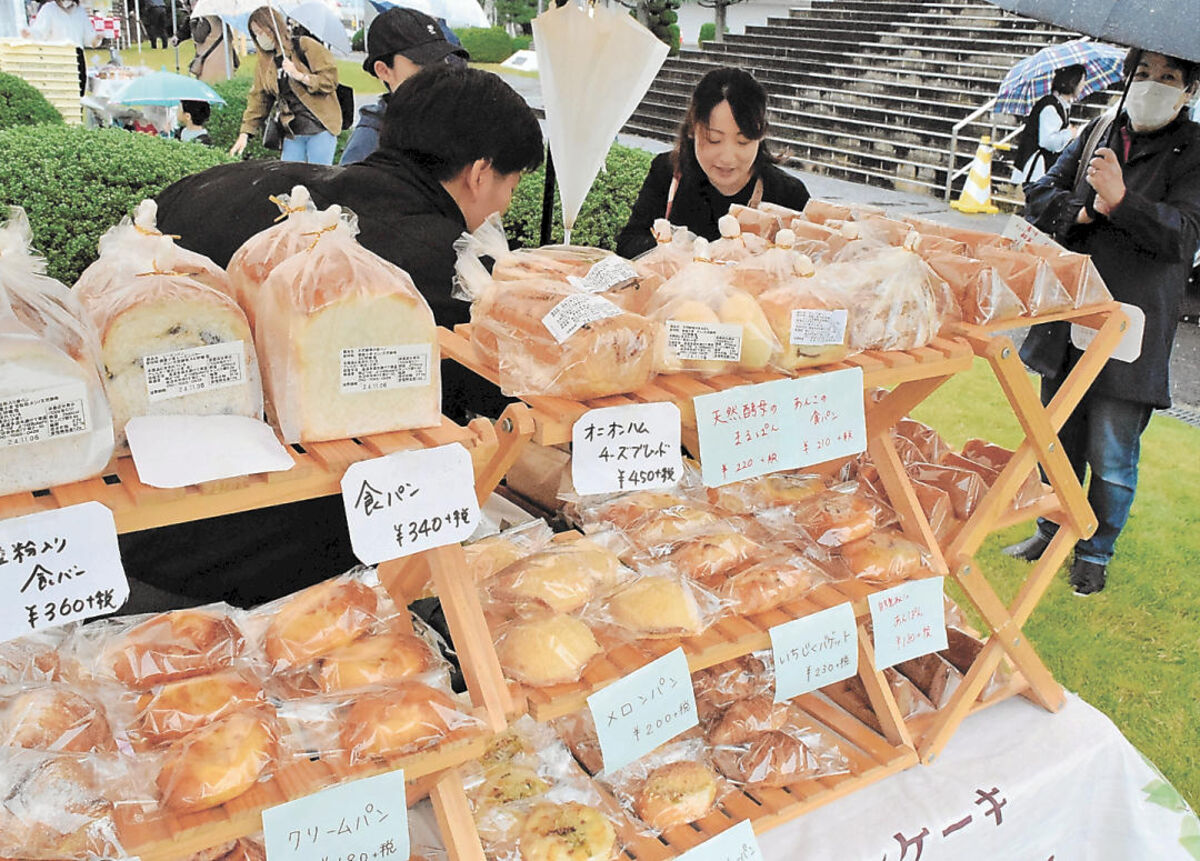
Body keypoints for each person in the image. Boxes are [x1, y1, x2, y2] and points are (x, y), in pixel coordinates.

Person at [132, 66, 542, 611]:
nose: (505, 206)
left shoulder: (225, 185)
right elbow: (497, 420)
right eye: (511, 185)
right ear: (480, 173)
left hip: (132, 529)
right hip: (277, 579)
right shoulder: (444, 270)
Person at [1004, 48, 1200, 595]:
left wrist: (1122, 200)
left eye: (1168, 77)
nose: (1151, 85)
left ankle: (1095, 549)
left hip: (1130, 324)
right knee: (1056, 436)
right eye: (1142, 73)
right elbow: (1040, 194)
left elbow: (1183, 235)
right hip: (1068, 313)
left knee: (1111, 449)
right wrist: (1087, 210)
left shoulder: (1196, 152)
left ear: (1189, 91)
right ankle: (1051, 527)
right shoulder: (1097, 130)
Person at [616, 67, 809, 259]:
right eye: (713, 139)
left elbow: (812, 264)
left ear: (760, 135)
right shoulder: (667, 173)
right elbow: (628, 244)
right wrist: (686, 252)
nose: (727, 157)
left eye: (743, 142)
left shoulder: (788, 195)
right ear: (692, 129)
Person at [339, 7, 467, 166]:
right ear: (384, 71)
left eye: (441, 60)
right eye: (423, 64)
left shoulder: (452, 120)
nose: (438, 72)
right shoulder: (370, 141)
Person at [229, 6, 340, 165]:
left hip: (320, 127)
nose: (260, 37)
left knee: (317, 180)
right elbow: (259, 99)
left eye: (262, 31)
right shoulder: (265, 63)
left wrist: (300, 76)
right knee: (289, 181)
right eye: (255, 34)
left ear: (274, 27)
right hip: (292, 132)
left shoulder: (304, 45)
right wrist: (245, 133)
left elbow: (330, 79)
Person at [1012, 63, 1086, 185]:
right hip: (1036, 167)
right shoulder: (1051, 106)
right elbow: (1047, 141)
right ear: (1072, 81)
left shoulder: (1060, 105)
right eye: (1082, 80)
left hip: (1041, 167)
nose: (1083, 85)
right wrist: (1070, 133)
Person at [25, 0, 99, 95]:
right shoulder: (49, 9)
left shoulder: (80, 11)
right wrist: (30, 34)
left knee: (77, 93)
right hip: (56, 56)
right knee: (58, 93)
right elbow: (39, 32)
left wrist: (96, 38)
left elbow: (89, 38)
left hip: (76, 56)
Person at [186, 14, 238, 82]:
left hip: (210, 64)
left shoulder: (207, 20)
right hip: (226, 63)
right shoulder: (223, 20)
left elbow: (198, 38)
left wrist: (193, 23)